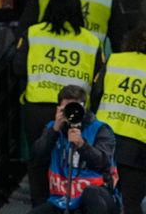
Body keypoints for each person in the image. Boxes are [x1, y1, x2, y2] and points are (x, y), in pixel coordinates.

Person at [12, 0, 105, 206]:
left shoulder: (33, 33)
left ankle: (41, 207)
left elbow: (17, 68)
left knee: (38, 161)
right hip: (74, 108)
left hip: (37, 107)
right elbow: (98, 81)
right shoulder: (91, 41)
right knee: (72, 159)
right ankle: (70, 205)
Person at [27, 85, 118, 214]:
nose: (72, 113)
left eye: (76, 108)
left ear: (85, 108)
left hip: (96, 197)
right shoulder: (53, 128)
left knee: (91, 194)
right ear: (59, 109)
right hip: (61, 199)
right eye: (67, 109)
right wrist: (54, 130)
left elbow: (103, 163)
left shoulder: (100, 129)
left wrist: (82, 145)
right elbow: (36, 157)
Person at [93, 26, 146, 214]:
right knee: (131, 202)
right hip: (138, 147)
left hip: (105, 139)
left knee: (98, 199)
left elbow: (96, 93)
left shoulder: (115, 60)